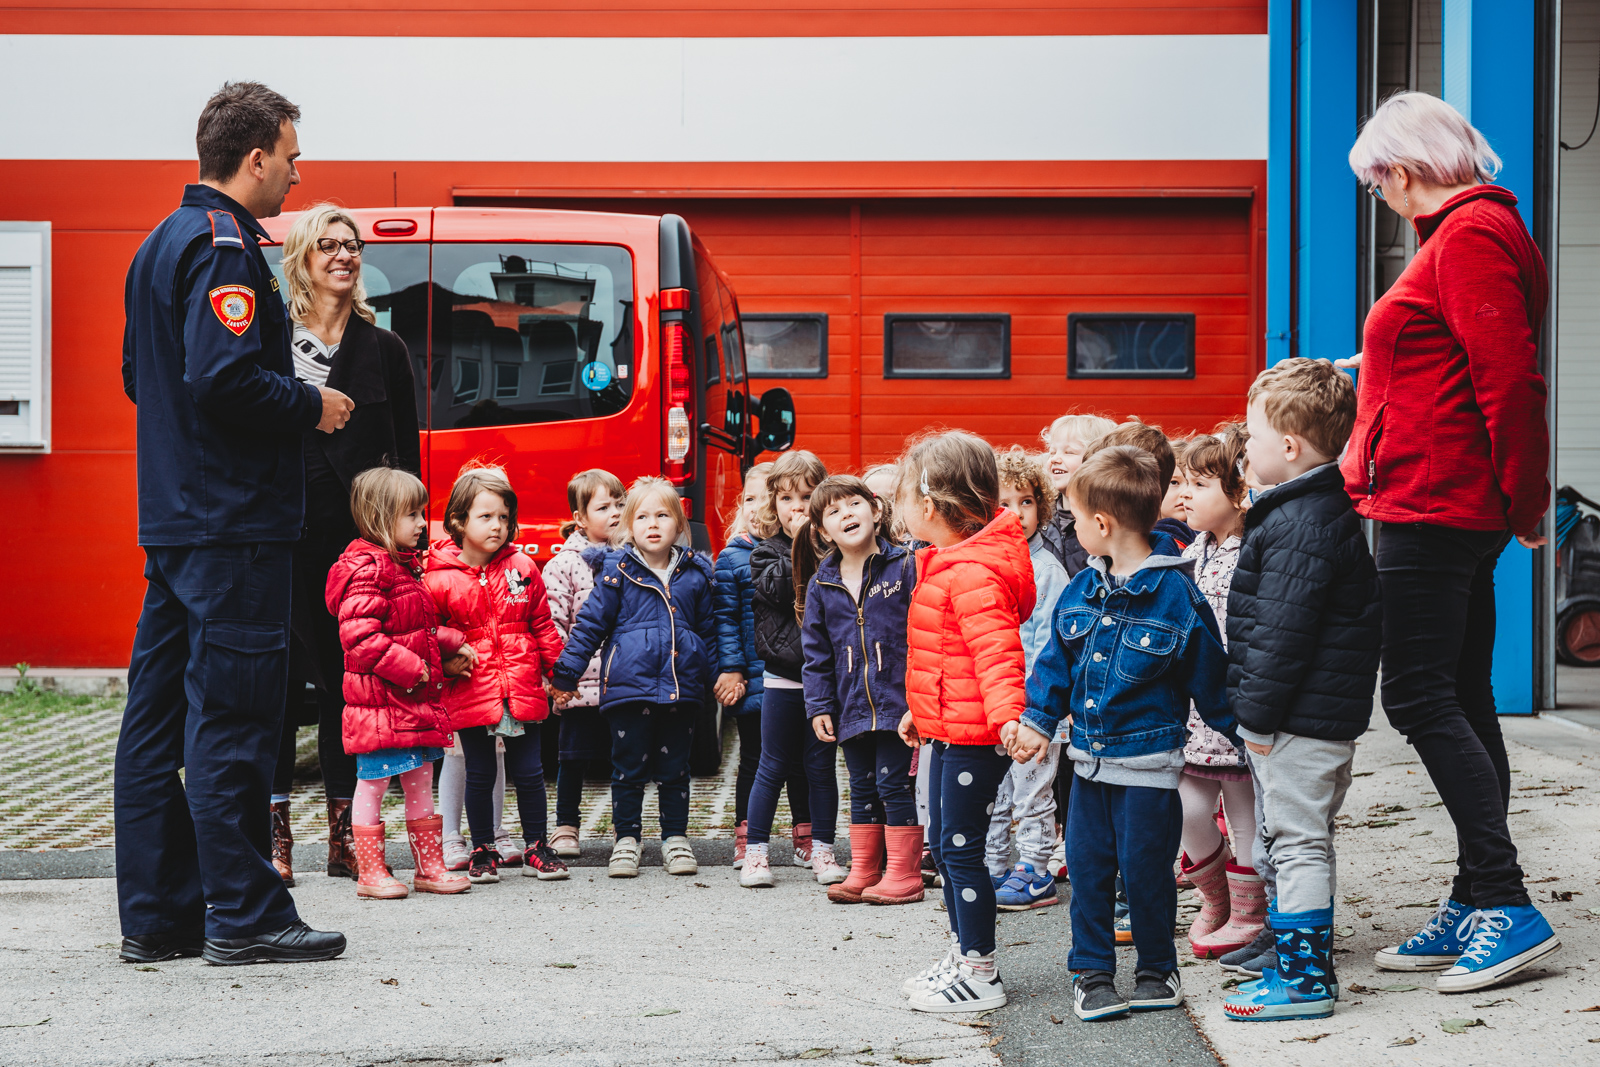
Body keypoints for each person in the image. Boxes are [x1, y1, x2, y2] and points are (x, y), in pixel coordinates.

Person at [117, 82, 351, 966]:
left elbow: (147, 381)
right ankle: (248, 916)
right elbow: (223, 381)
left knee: (151, 728)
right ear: (254, 159)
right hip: (234, 529)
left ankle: (158, 915)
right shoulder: (223, 246)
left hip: (176, 526)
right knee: (235, 723)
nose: (297, 173)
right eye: (292, 156)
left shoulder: (157, 245)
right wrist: (311, 404)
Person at [1344, 91, 1560, 994]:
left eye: (1377, 182)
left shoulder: (1466, 236)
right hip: (1450, 496)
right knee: (1461, 690)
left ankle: (1505, 900)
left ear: (1400, 168)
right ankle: (1479, 892)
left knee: (1421, 696)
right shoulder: (1477, 235)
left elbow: (1510, 378)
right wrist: (1374, 370)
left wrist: (1530, 501)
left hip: (1435, 504)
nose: (1379, 198)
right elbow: (1457, 357)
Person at [1013, 445, 1236, 1022]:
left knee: (1145, 873)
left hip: (1149, 770)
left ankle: (1157, 969)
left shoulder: (1177, 595)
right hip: (1086, 767)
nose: (1075, 528)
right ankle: (1091, 971)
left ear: (1103, 524)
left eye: (1077, 518)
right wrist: (1038, 722)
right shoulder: (1082, 591)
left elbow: (1210, 676)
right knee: (1088, 870)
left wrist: (1245, 734)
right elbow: (1054, 666)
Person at [1219, 359, 1382, 1022]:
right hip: (1308, 715)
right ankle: (1292, 954)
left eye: (1252, 435)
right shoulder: (1303, 512)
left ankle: (1306, 979)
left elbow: (1282, 633)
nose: (1244, 448)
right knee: (1293, 838)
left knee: (1298, 840)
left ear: (1288, 446)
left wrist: (1254, 717)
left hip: (1297, 720)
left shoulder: (1301, 523)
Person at [268, 204, 423, 886]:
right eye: (327, 244)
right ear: (302, 257)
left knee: (345, 686)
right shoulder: (270, 342)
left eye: (351, 245)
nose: (343, 255)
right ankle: (273, 836)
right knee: (271, 685)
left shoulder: (383, 348)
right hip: (278, 532)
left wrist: (406, 541)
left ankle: (343, 834)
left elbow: (407, 458)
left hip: (353, 546)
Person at [897, 431, 1034, 1013]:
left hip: (978, 736)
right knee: (946, 844)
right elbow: (949, 657)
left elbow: (998, 655)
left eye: (901, 497)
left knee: (959, 848)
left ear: (929, 505)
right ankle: (962, 951)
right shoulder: (949, 562)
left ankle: (980, 970)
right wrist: (920, 708)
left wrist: (1008, 719)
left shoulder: (971, 572)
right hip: (948, 727)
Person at [549, 477, 718, 879]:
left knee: (675, 768)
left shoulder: (694, 574)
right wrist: (566, 673)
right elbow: (590, 625)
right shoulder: (616, 572)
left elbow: (708, 631)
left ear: (679, 525)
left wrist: (716, 678)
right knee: (627, 767)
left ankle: (675, 838)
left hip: (681, 690)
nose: (652, 524)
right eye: (642, 516)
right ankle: (627, 838)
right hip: (629, 688)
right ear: (629, 525)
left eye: (662, 515)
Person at [324, 468, 470, 899]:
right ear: (381, 518)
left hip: (409, 705)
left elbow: (408, 628)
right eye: (413, 514)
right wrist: (411, 667)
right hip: (380, 706)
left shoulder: (403, 567)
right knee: (372, 783)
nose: (423, 523)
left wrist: (448, 643)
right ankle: (370, 873)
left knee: (421, 779)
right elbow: (360, 637)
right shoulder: (369, 571)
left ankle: (430, 867)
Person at [425, 467, 569, 884]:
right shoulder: (438, 577)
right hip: (472, 687)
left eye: (504, 517)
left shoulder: (522, 567)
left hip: (521, 684)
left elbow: (542, 623)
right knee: (480, 771)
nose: (498, 526)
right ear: (458, 521)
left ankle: (537, 845)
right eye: (486, 517)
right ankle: (482, 848)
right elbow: (429, 632)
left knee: (529, 772)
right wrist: (450, 656)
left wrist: (558, 674)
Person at [798, 476, 920, 905]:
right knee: (861, 786)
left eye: (854, 504)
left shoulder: (904, 566)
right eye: (833, 511)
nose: (846, 514)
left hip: (897, 703)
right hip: (851, 704)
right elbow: (815, 654)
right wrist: (818, 706)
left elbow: (921, 635)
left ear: (876, 510)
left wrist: (919, 697)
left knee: (892, 785)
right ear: (821, 531)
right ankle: (866, 868)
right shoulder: (821, 583)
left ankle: (903, 873)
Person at [1174, 428, 1264, 959]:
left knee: (1245, 809)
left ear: (1236, 492)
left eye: (1200, 483)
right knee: (1185, 807)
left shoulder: (1249, 552)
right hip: (1194, 711)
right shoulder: (1195, 551)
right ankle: (1217, 895)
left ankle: (1249, 911)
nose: (1185, 494)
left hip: (1236, 708)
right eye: (1182, 482)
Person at [740, 451, 845, 889]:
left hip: (826, 681)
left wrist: (823, 543)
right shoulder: (765, 553)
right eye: (787, 498)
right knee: (772, 764)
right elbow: (782, 589)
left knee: (821, 766)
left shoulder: (838, 551)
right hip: (783, 678)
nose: (797, 507)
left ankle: (822, 849)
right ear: (773, 504)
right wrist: (806, 544)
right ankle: (756, 854)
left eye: (806, 497)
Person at [713, 463, 812, 870]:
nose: (757, 507)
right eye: (749, 498)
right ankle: (747, 835)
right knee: (755, 757)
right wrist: (733, 668)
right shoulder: (734, 557)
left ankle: (805, 833)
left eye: (764, 498)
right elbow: (725, 619)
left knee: (803, 760)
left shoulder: (806, 549)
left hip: (799, 673)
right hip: (755, 676)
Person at [985, 448, 1069, 911]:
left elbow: (1050, 649)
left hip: (1035, 710)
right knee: (996, 793)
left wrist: (1034, 709)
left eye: (1026, 502)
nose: (1015, 515)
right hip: (995, 708)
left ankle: (1035, 871)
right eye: (1003, 504)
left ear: (1043, 506)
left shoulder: (1048, 570)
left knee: (1032, 791)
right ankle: (993, 866)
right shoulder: (987, 564)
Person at [540, 468, 627, 859]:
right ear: (579, 518)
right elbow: (554, 623)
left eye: (621, 504)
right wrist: (558, 675)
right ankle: (565, 825)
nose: (615, 513)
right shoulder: (566, 565)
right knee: (571, 758)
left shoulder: (633, 559)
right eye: (604, 506)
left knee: (625, 757)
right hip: (580, 682)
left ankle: (625, 827)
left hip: (625, 681)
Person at [1039, 414, 1117, 578]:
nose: (1054, 459)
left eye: (1069, 452)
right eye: (1052, 452)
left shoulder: (1108, 519)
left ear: (1098, 459)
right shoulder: (1040, 515)